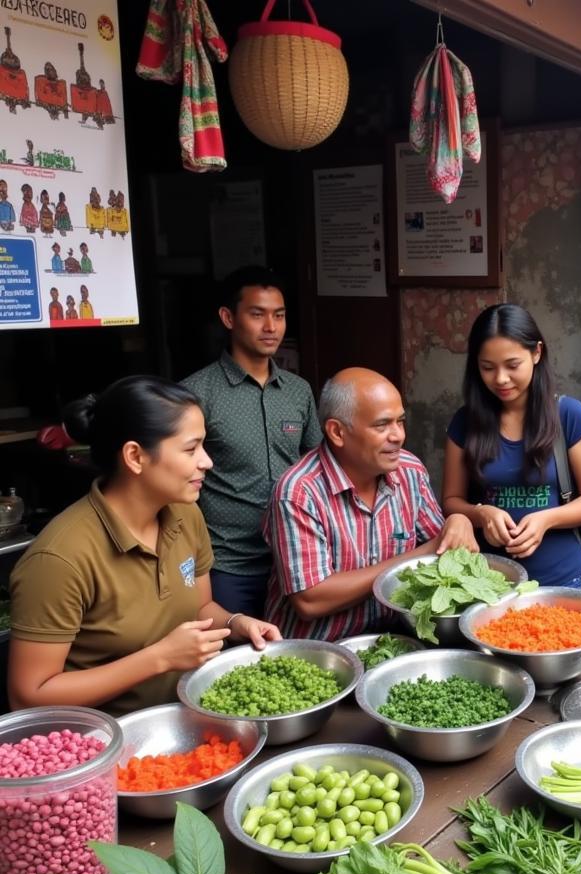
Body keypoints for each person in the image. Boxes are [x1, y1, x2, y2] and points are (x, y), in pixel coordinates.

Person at [7, 376, 280, 716]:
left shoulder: (185, 514)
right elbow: (29, 696)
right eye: (190, 449)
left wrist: (236, 623)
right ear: (135, 456)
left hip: (193, 717)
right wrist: (160, 658)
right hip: (108, 742)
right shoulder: (60, 559)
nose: (207, 461)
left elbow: (200, 606)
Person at [264, 368, 477, 642]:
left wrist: (459, 521)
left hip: (395, 641)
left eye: (400, 421)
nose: (398, 435)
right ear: (337, 432)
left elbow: (444, 549)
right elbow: (310, 600)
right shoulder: (298, 492)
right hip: (317, 654)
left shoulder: (409, 471)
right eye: (382, 425)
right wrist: (421, 553)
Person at [182, 267, 321, 619]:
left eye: (279, 315)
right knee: (238, 663)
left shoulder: (298, 391)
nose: (271, 327)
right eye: (257, 314)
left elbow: (318, 469)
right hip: (229, 565)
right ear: (228, 318)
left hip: (296, 559)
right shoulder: (195, 394)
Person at [441, 304, 581, 588]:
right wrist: (482, 514)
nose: (501, 379)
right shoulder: (465, 422)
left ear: (536, 353)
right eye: (487, 368)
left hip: (562, 580)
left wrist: (547, 520)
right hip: (488, 582)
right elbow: (451, 501)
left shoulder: (568, 416)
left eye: (512, 365)